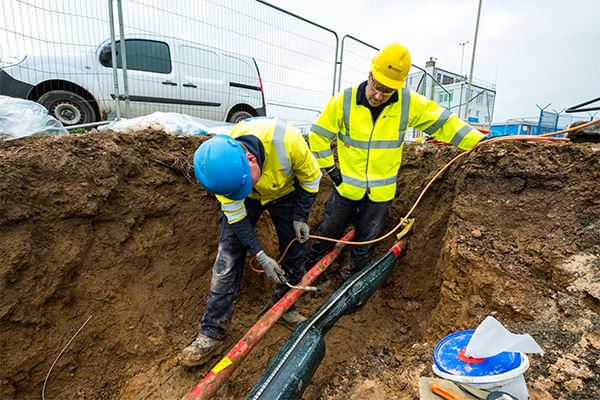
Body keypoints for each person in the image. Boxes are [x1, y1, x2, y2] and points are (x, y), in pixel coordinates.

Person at [306, 43, 484, 280]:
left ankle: (351, 285)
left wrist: (481, 143)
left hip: (380, 195)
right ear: (369, 75)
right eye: (376, 87)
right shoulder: (344, 101)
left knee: (365, 244)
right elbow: (318, 136)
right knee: (328, 233)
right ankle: (310, 274)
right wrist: (331, 170)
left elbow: (445, 124)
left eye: (387, 91)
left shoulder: (408, 103)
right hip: (345, 188)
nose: (379, 96)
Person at [180, 116, 322, 367]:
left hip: (285, 190)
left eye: (244, 183)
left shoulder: (288, 141)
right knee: (227, 257)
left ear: (251, 159)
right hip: (251, 196)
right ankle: (212, 331)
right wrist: (260, 255)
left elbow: (311, 178)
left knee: (296, 247)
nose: (238, 193)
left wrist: (300, 214)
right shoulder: (223, 171)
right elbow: (237, 218)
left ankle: (285, 305)